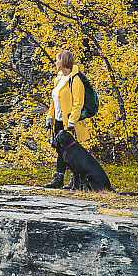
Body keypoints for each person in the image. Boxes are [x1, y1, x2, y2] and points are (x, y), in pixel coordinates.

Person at [42, 50, 92, 189]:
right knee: (60, 151)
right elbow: (54, 100)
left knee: (72, 153)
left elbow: (78, 103)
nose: (56, 62)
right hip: (58, 120)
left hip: (70, 123)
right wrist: (50, 116)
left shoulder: (75, 79)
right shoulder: (58, 79)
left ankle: (75, 181)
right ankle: (58, 179)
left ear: (64, 61)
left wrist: (72, 121)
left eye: (57, 60)